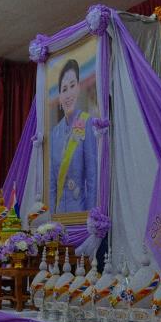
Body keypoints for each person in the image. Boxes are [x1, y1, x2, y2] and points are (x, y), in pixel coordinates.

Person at [49, 58, 98, 213]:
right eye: (64, 89)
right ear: (59, 96)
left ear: (78, 88)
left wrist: (90, 217)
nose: (69, 93)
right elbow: (51, 184)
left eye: (72, 86)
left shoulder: (87, 122)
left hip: (80, 213)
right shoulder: (55, 133)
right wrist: (51, 219)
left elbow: (92, 177)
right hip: (58, 216)